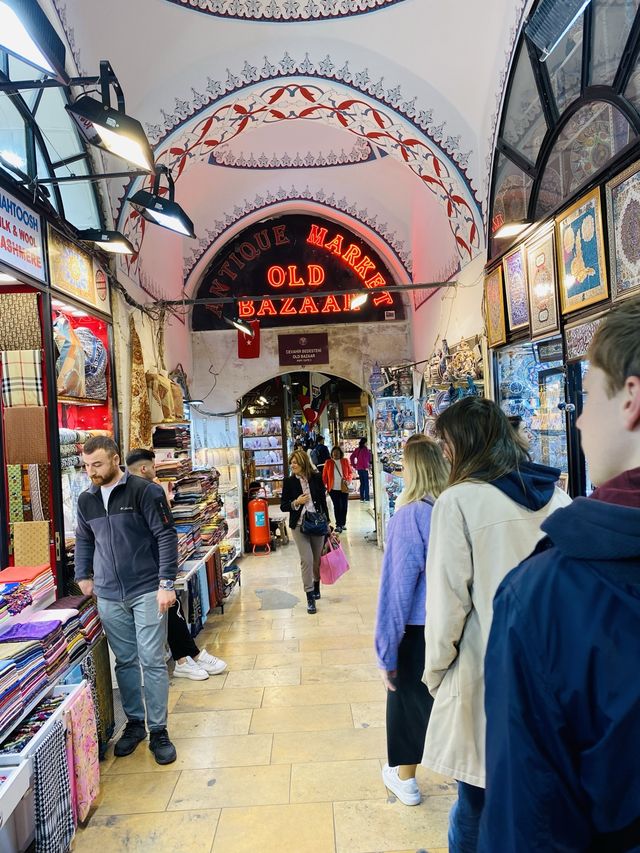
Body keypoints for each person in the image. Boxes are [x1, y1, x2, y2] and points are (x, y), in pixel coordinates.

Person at [480, 296, 640, 851]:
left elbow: (531, 824)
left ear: (630, 400)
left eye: (588, 394)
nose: (577, 417)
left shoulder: (546, 599)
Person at [422, 397, 571, 851]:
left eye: (445, 443)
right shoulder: (558, 496)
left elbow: (447, 606)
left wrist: (435, 674)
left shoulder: (458, 502)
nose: (443, 453)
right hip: (555, 678)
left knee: (476, 800)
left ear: (461, 445)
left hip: (488, 677)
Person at [75, 437, 178, 765]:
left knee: (151, 659)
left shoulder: (144, 491)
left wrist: (166, 583)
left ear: (116, 459)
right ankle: (135, 723)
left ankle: (159, 729)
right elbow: (83, 538)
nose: (92, 472)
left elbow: (166, 535)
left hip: (147, 588)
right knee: (126, 661)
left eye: (98, 465)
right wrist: (83, 575)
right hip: (108, 593)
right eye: (87, 466)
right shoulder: (86, 500)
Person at [375, 435, 449, 806]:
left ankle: (405, 780)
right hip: (454, 624)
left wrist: (386, 651)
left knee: (405, 704)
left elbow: (397, 591)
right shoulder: (450, 508)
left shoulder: (410, 516)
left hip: (418, 630)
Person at [126, 448, 227, 680]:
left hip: (145, 564)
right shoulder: (149, 490)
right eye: (153, 466)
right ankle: (186, 658)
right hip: (148, 566)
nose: (155, 471)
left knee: (171, 610)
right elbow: (164, 531)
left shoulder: (128, 492)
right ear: (144, 468)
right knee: (168, 609)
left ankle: (188, 656)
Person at [280, 449, 329, 614]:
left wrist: (328, 523)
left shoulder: (315, 478)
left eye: (295, 462)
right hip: (299, 525)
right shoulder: (288, 482)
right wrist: (296, 502)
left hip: (317, 523)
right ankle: (309, 597)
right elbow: (283, 505)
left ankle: (316, 585)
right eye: (291, 462)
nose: (292, 465)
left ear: (303, 463)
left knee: (316, 560)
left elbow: (322, 500)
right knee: (306, 560)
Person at [322, 446, 353, 532]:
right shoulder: (328, 462)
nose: (336, 454)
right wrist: (324, 487)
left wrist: (348, 480)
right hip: (333, 489)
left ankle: (343, 524)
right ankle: (338, 525)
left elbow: (350, 473)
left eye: (337, 452)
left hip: (344, 487)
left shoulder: (345, 461)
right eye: (334, 453)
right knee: (337, 506)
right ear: (331, 454)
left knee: (344, 506)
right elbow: (324, 476)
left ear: (340, 453)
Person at [350, 437, 373, 502]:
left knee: (362, 483)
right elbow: (365, 460)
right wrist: (366, 467)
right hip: (364, 468)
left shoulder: (357, 449)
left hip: (359, 468)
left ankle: (362, 498)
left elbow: (352, 457)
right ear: (365, 443)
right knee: (366, 483)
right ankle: (367, 498)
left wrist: (354, 465)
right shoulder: (365, 450)